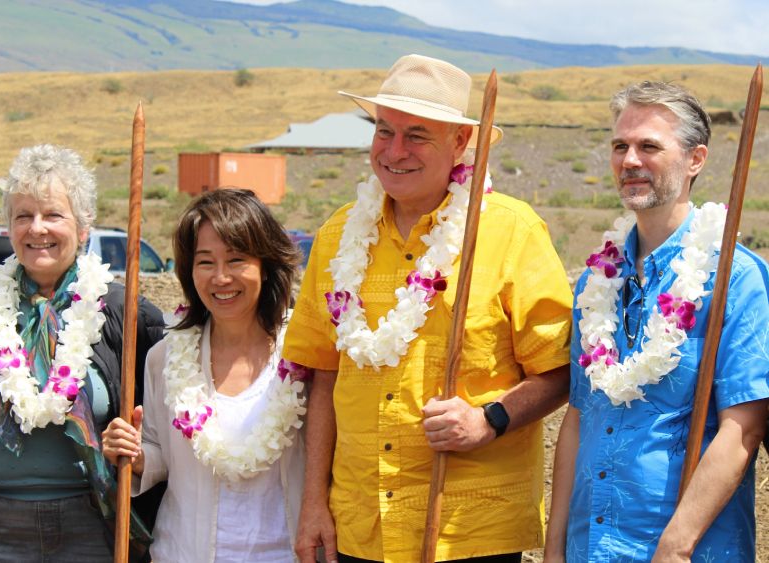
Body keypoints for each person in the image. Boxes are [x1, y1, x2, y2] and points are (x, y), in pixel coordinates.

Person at [282, 54, 574, 563]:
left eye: (417, 135)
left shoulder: (511, 231)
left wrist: (491, 419)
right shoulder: (335, 236)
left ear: (461, 143)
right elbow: (324, 376)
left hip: (468, 530)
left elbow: (561, 370)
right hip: (359, 525)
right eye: (384, 131)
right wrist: (313, 504)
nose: (394, 151)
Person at [545, 81, 769, 561]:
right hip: (591, 545)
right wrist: (554, 548)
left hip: (684, 550)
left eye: (649, 146)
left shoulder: (733, 276)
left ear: (695, 159)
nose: (630, 161)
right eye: (620, 146)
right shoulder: (594, 280)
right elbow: (579, 416)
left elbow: (743, 429)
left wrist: (675, 546)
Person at [0, 144, 165, 562]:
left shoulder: (128, 314)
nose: (37, 228)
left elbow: (162, 432)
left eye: (53, 215)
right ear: (9, 228)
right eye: (23, 216)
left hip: (98, 526)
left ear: (83, 227)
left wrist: (143, 448)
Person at [101, 188, 307, 562]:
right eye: (206, 262)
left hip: (287, 552)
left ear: (266, 263)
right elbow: (160, 454)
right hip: (185, 551)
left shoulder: (305, 352)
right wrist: (133, 453)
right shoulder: (165, 357)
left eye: (237, 259)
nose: (221, 277)